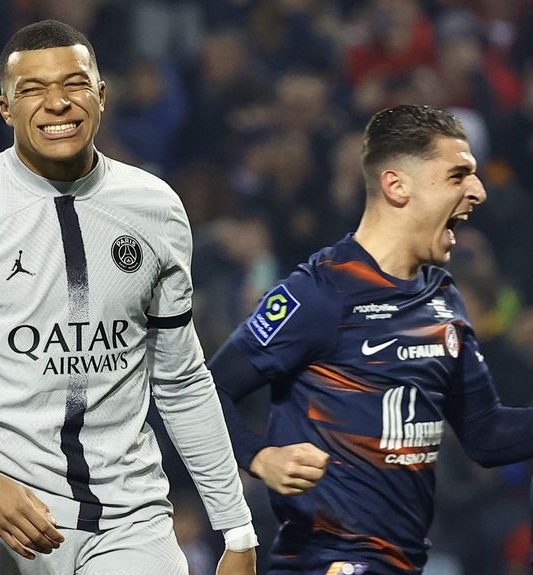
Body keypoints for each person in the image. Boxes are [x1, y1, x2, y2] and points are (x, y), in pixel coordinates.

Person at [0, 19, 257, 575]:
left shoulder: (156, 209)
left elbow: (181, 378)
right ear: (6, 109)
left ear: (101, 95)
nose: (57, 103)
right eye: (32, 89)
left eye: (74, 84)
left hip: (132, 518)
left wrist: (237, 529)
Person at [209, 104, 533, 574]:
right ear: (396, 186)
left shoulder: (443, 298)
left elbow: (486, 435)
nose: (478, 191)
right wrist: (259, 456)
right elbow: (204, 388)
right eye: (457, 175)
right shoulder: (321, 292)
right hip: (329, 563)